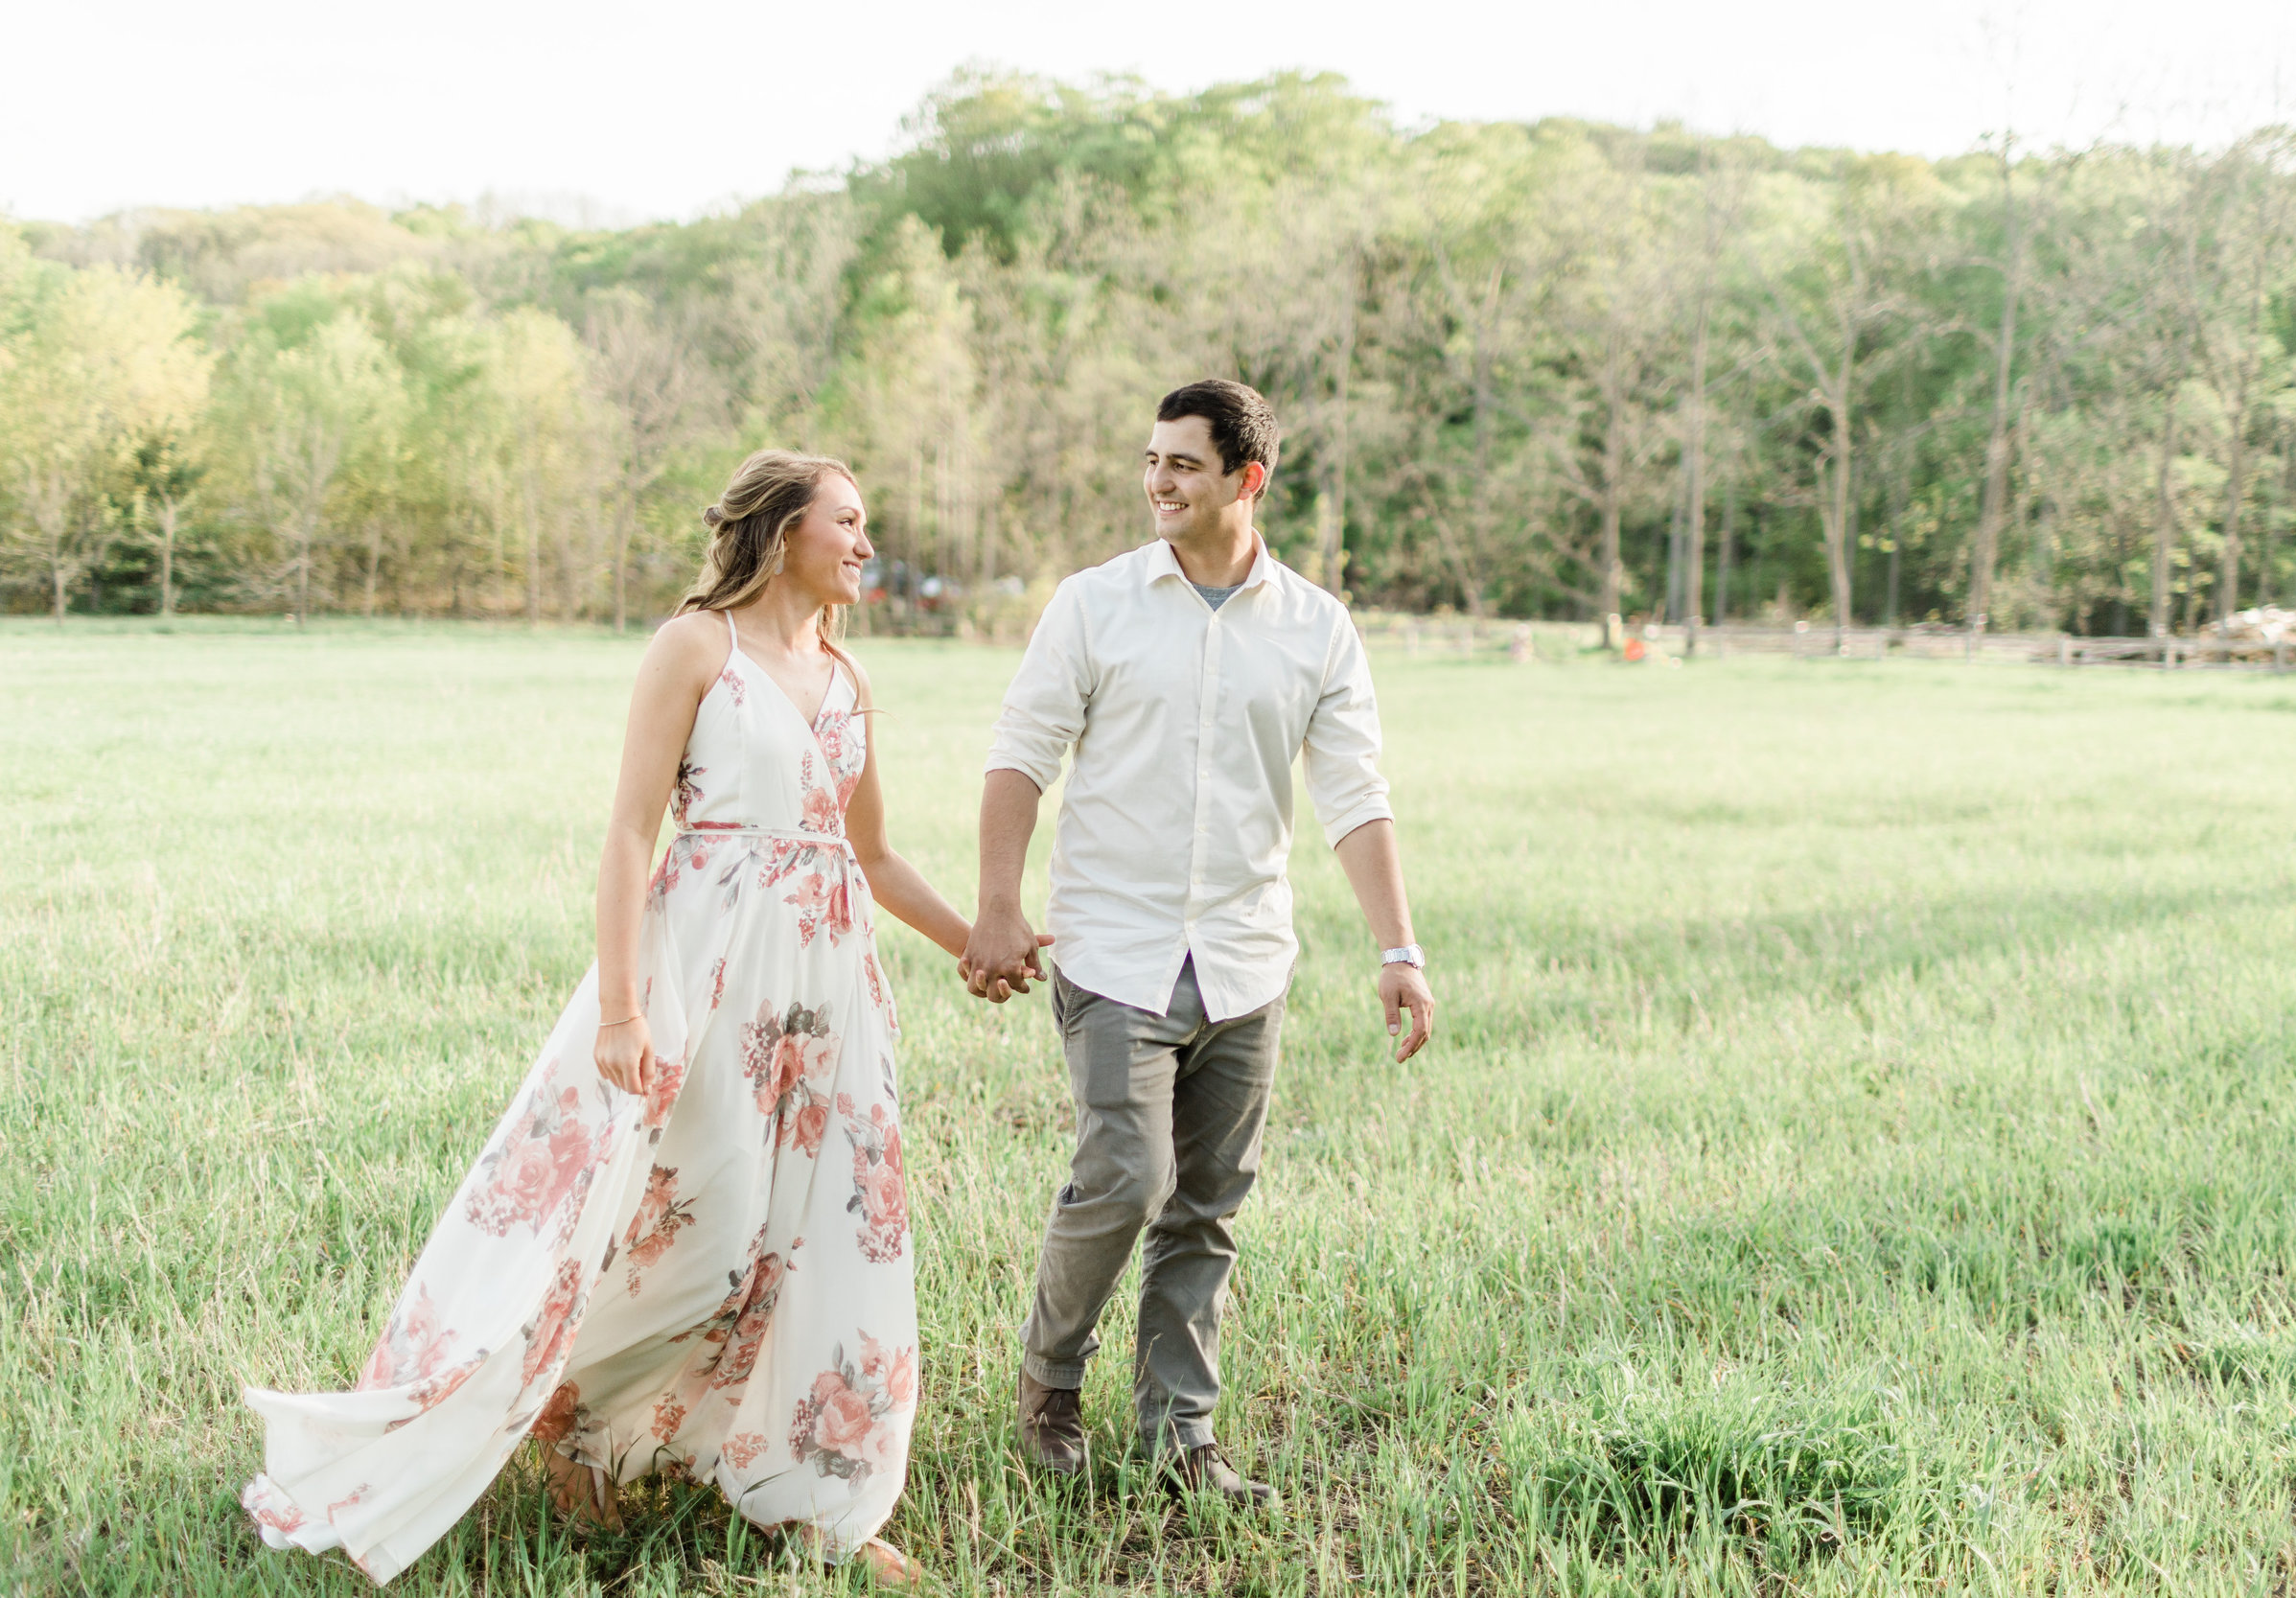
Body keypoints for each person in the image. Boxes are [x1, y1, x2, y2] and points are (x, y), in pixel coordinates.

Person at [243, 452, 982, 1587]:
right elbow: (632, 832)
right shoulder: (696, 647)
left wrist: (975, 941)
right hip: (707, 968)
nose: (867, 543)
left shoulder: (848, 675)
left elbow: (872, 854)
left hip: (829, 992)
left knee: (832, 1230)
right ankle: (572, 1420)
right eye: (848, 521)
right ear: (784, 532)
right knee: (702, 1223)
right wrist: (624, 1005)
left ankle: (823, 1491)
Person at [962, 379, 1436, 1507]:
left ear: (1245, 478)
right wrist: (995, 901)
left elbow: (1354, 796)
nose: (1157, 481)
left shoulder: (1317, 627)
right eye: (1151, 460)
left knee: (1207, 1204)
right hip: (1111, 944)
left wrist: (1398, 947)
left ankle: (1181, 1436)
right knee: (1126, 1174)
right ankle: (1049, 1383)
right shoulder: (1093, 603)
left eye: (1181, 463)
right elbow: (1019, 752)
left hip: (1243, 954)